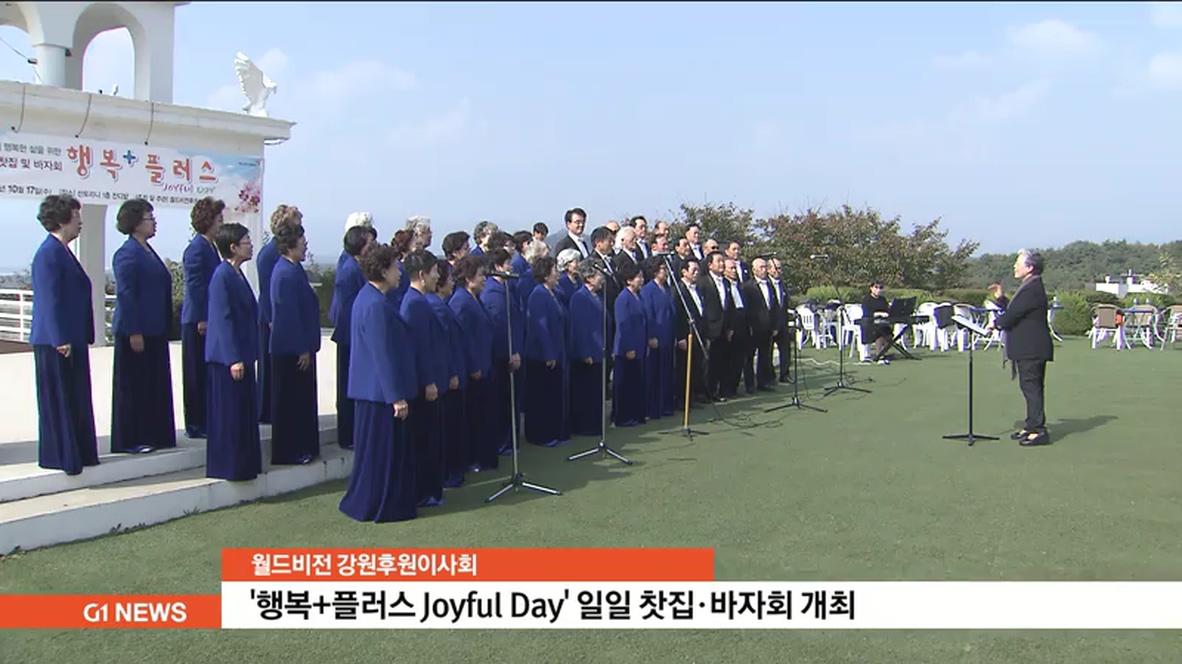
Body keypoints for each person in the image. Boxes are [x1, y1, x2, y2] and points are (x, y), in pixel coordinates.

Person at [338, 243, 418, 523]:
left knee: (375, 453)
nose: (400, 272)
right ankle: (379, 504)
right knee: (381, 454)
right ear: (383, 271)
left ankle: (375, 502)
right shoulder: (374, 304)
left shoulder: (371, 298)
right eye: (395, 267)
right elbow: (381, 354)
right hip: (378, 394)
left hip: (373, 391)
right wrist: (396, 396)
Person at [31, 194, 99, 475]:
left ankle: (78, 451)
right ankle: (60, 455)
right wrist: (59, 338)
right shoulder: (48, 253)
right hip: (55, 341)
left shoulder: (63, 251)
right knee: (59, 398)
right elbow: (49, 299)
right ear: (62, 220)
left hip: (72, 337)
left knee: (75, 397)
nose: (80, 222)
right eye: (76, 216)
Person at [110, 198, 176, 455]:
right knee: (133, 387)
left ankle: (155, 434)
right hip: (136, 331)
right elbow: (126, 295)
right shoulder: (127, 253)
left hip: (155, 328)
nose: (154, 222)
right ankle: (131, 438)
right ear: (136, 223)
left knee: (153, 385)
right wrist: (134, 330)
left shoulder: (148, 250)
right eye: (149, 218)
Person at [204, 223, 262, 481]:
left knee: (243, 413)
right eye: (246, 241)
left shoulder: (237, 274)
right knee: (230, 415)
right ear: (233, 247)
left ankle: (246, 464)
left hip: (245, 354)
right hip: (229, 360)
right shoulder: (222, 276)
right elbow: (222, 319)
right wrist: (233, 358)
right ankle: (229, 465)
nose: (250, 245)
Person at [987, 250, 1053, 446]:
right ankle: (1031, 426)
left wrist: (995, 324)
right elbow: (1016, 309)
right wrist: (1000, 298)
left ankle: (1038, 430)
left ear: (1030, 267)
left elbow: (1012, 315)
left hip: (1032, 348)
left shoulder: (1032, 288)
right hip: (1029, 347)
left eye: (1018, 263)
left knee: (1032, 389)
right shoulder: (1029, 286)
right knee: (1029, 388)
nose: (1014, 266)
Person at [269, 223, 321, 465]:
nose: (305, 246)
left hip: (301, 346)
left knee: (302, 401)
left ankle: (304, 447)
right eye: (302, 243)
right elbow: (287, 315)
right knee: (290, 403)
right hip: (290, 351)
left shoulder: (294, 269)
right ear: (290, 247)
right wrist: (301, 348)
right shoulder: (284, 274)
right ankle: (289, 451)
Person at [400, 249, 447, 507]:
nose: (438, 276)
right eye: (434, 272)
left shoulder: (418, 301)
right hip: (423, 384)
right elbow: (419, 347)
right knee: (425, 439)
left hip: (427, 380)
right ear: (422, 274)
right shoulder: (415, 303)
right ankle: (424, 491)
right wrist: (429, 381)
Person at [180, 196, 224, 440]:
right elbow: (196, 286)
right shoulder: (196, 249)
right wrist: (201, 318)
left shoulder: (210, 247)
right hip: (197, 320)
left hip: (207, 317)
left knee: (205, 371)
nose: (221, 224)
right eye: (219, 220)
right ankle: (196, 423)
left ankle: (207, 418)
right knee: (195, 373)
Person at [329, 225, 376, 450]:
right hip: (349, 338)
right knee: (348, 388)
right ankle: (348, 435)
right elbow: (347, 309)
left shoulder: (358, 266)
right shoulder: (350, 270)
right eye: (369, 243)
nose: (373, 247)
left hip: (355, 337)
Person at [256, 204, 303, 424]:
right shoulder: (269, 254)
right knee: (270, 367)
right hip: (271, 319)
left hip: (282, 319)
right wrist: (272, 319)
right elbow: (267, 290)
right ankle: (266, 409)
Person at [450, 255, 495, 470]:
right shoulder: (460, 301)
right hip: (473, 370)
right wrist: (473, 365)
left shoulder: (475, 298)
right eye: (480, 275)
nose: (484, 278)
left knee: (483, 414)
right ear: (468, 278)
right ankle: (473, 458)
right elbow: (462, 338)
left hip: (484, 365)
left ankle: (482, 456)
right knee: (474, 416)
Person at [428, 259, 467, 487]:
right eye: (449, 278)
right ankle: (449, 474)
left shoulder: (442, 304)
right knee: (448, 428)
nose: (452, 282)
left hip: (451, 373)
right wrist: (452, 373)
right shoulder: (436, 306)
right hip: (446, 377)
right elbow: (443, 345)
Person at [481, 248, 523, 457]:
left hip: (509, 352)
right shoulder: (493, 292)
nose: (511, 267)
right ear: (498, 266)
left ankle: (509, 440)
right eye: (507, 263)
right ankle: (503, 442)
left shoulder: (503, 288)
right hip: (502, 357)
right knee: (502, 401)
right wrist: (511, 352)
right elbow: (500, 327)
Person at [524, 255, 570, 447]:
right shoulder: (538, 295)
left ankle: (554, 431)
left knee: (552, 395)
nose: (557, 273)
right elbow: (540, 327)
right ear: (545, 274)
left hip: (556, 351)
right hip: (541, 356)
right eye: (554, 270)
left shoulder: (553, 293)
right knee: (541, 397)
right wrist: (548, 354)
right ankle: (540, 435)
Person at [567, 260, 606, 435]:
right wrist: (585, 353)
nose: (602, 278)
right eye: (598, 274)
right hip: (587, 353)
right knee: (585, 392)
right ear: (589, 278)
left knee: (595, 390)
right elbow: (579, 327)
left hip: (599, 349)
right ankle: (584, 426)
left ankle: (595, 423)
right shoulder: (579, 297)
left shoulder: (597, 296)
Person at [612, 261, 649, 427]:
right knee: (625, 384)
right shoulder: (623, 299)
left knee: (636, 382)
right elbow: (623, 325)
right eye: (638, 277)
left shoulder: (638, 296)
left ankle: (636, 414)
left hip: (639, 345)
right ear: (628, 280)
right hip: (626, 348)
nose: (641, 280)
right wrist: (629, 347)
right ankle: (622, 416)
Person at [639, 256, 676, 418]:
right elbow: (648, 314)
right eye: (663, 269)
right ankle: (652, 408)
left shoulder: (666, 288)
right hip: (656, 337)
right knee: (654, 374)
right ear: (655, 271)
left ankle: (666, 405)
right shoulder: (648, 290)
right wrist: (651, 336)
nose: (666, 272)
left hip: (668, 335)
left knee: (667, 372)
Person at [860, 280, 892, 364]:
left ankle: (881, 353)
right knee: (878, 331)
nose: (878, 290)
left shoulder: (882, 299)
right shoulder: (867, 299)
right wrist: (879, 313)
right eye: (876, 287)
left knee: (886, 331)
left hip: (882, 322)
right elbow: (867, 312)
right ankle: (877, 354)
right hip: (869, 322)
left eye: (880, 288)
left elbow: (887, 310)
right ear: (871, 288)